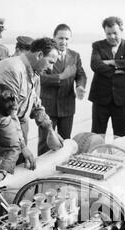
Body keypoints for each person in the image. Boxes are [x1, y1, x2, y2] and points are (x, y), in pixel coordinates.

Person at [0, 38, 60, 169]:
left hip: (14, 134)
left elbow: (36, 105)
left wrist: (49, 128)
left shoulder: (33, 73)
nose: (51, 68)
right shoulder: (12, 70)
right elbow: (8, 114)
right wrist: (23, 146)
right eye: (50, 62)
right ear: (39, 55)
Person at [38, 24, 87, 155]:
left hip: (67, 105)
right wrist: (61, 76)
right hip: (48, 106)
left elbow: (80, 74)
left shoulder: (74, 56)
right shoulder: (45, 55)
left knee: (65, 141)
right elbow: (40, 78)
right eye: (60, 38)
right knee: (44, 142)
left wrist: (80, 86)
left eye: (66, 39)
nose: (63, 42)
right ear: (53, 38)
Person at [89, 16, 125, 137]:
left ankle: (119, 156)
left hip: (122, 100)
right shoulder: (97, 45)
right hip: (100, 100)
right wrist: (118, 70)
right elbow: (95, 65)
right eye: (108, 34)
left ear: (121, 30)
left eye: (115, 33)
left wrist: (112, 62)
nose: (111, 37)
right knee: (97, 136)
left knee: (122, 137)